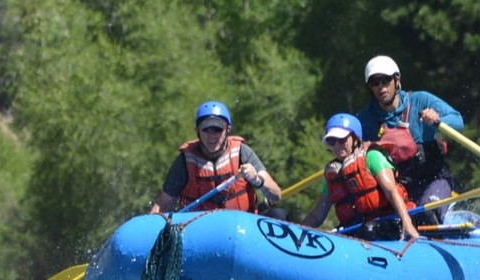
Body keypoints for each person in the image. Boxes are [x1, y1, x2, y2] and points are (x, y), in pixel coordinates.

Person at [356, 55, 464, 222]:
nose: (381, 87)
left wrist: (438, 121)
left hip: (434, 179)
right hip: (398, 189)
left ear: (396, 80)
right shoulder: (364, 119)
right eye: (374, 83)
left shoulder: (420, 100)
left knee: (428, 216)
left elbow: (458, 121)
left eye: (385, 80)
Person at [302, 113, 420, 241]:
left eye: (342, 140)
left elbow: (392, 192)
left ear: (355, 139)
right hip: (358, 229)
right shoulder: (332, 173)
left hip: (393, 220)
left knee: (368, 230)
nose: (337, 145)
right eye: (332, 141)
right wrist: (298, 231)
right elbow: (317, 215)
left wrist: (406, 222)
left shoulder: (372, 156)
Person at [149, 101, 281, 214]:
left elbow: (276, 195)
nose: (212, 136)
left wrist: (257, 181)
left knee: (278, 214)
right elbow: (163, 205)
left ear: (227, 130)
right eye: (206, 129)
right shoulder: (185, 161)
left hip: (240, 229)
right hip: (198, 231)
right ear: (197, 131)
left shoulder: (243, 152)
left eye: (217, 129)